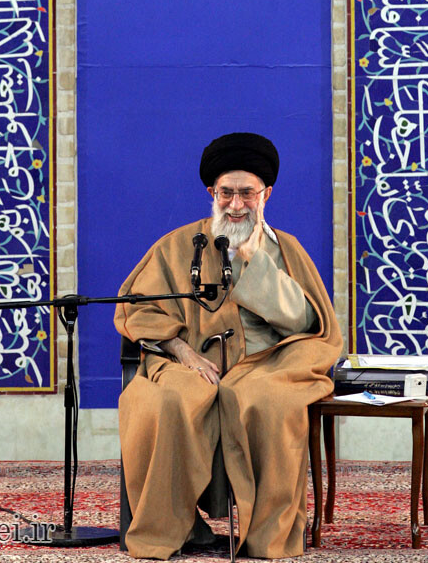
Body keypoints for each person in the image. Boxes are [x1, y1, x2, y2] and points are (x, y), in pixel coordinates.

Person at [114, 132, 342, 559]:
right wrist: (183, 352)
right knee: (167, 401)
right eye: (226, 193)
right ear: (211, 193)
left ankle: (266, 537)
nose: (236, 205)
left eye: (247, 194)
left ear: (266, 194)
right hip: (190, 362)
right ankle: (173, 529)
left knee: (269, 403)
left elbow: (305, 322)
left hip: (266, 365)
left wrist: (254, 260)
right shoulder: (178, 245)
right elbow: (138, 309)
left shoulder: (285, 249)